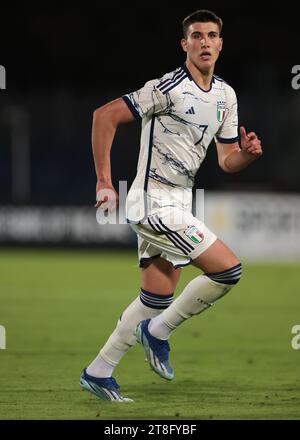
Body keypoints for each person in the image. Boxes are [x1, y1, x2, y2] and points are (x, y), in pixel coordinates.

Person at [79, 9, 263, 402]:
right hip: (152, 202)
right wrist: (104, 181)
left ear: (220, 43)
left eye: (212, 35)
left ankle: (99, 371)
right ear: (185, 44)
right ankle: (159, 332)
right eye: (196, 36)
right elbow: (104, 116)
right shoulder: (168, 87)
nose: (205, 42)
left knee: (156, 297)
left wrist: (246, 155)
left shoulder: (226, 96)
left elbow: (227, 159)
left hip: (180, 201)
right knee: (228, 270)